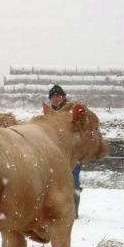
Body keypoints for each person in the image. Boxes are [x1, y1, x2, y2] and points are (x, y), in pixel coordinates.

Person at [47, 85, 82, 216]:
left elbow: (79, 128)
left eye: (58, 96)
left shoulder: (72, 112)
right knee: (55, 180)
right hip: (56, 151)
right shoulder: (49, 113)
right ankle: (57, 209)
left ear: (64, 97)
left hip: (72, 151)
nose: (56, 99)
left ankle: (74, 210)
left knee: (73, 178)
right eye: (53, 97)